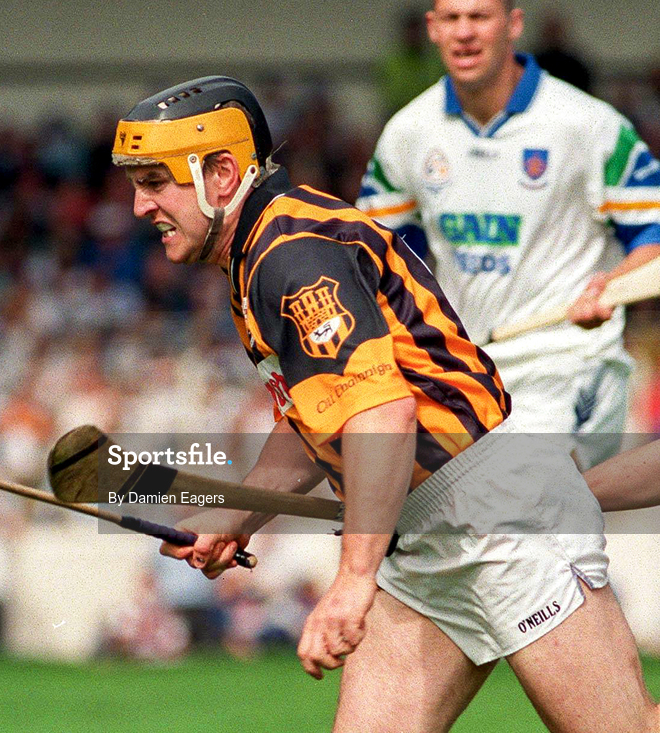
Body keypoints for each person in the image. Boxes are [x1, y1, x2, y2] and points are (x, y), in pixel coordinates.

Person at [111, 75, 660, 731]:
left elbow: (381, 416)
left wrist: (352, 580)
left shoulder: (291, 257)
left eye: (154, 182)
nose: (139, 206)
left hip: (500, 518)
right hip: (420, 533)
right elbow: (318, 420)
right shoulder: (262, 251)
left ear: (222, 175)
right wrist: (238, 512)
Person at [356, 0, 660, 469]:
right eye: (452, 18)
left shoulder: (591, 125)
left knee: (524, 492)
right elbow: (381, 260)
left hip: (570, 365)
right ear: (433, 28)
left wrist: (611, 287)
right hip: (467, 374)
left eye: (479, 17)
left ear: (513, 24)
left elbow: (653, 238)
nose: (465, 32)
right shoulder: (407, 132)